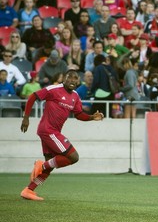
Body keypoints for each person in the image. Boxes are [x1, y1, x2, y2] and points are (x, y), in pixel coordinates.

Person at [19, 69, 104, 201]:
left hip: (51, 132)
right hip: (48, 130)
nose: (73, 81)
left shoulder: (75, 96)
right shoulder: (54, 89)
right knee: (73, 157)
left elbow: (79, 114)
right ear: (64, 78)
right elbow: (33, 97)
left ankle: (28, 190)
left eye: (76, 79)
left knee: (51, 165)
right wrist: (26, 117)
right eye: (70, 77)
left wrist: (92, 117)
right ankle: (41, 165)